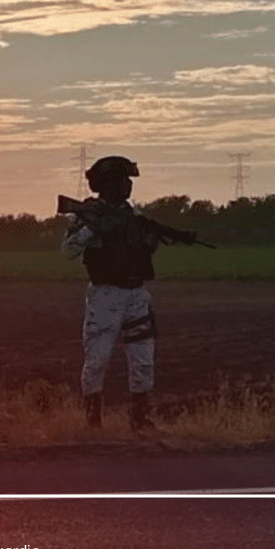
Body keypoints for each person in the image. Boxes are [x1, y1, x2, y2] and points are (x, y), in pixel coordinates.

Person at [61, 156, 165, 435]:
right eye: (122, 181)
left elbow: (140, 254)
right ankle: (93, 421)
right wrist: (91, 229)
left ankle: (140, 420)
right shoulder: (88, 215)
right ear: (107, 186)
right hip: (105, 295)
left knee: (143, 360)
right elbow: (68, 250)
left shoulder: (134, 217)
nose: (128, 186)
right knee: (97, 359)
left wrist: (149, 244)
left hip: (136, 295)